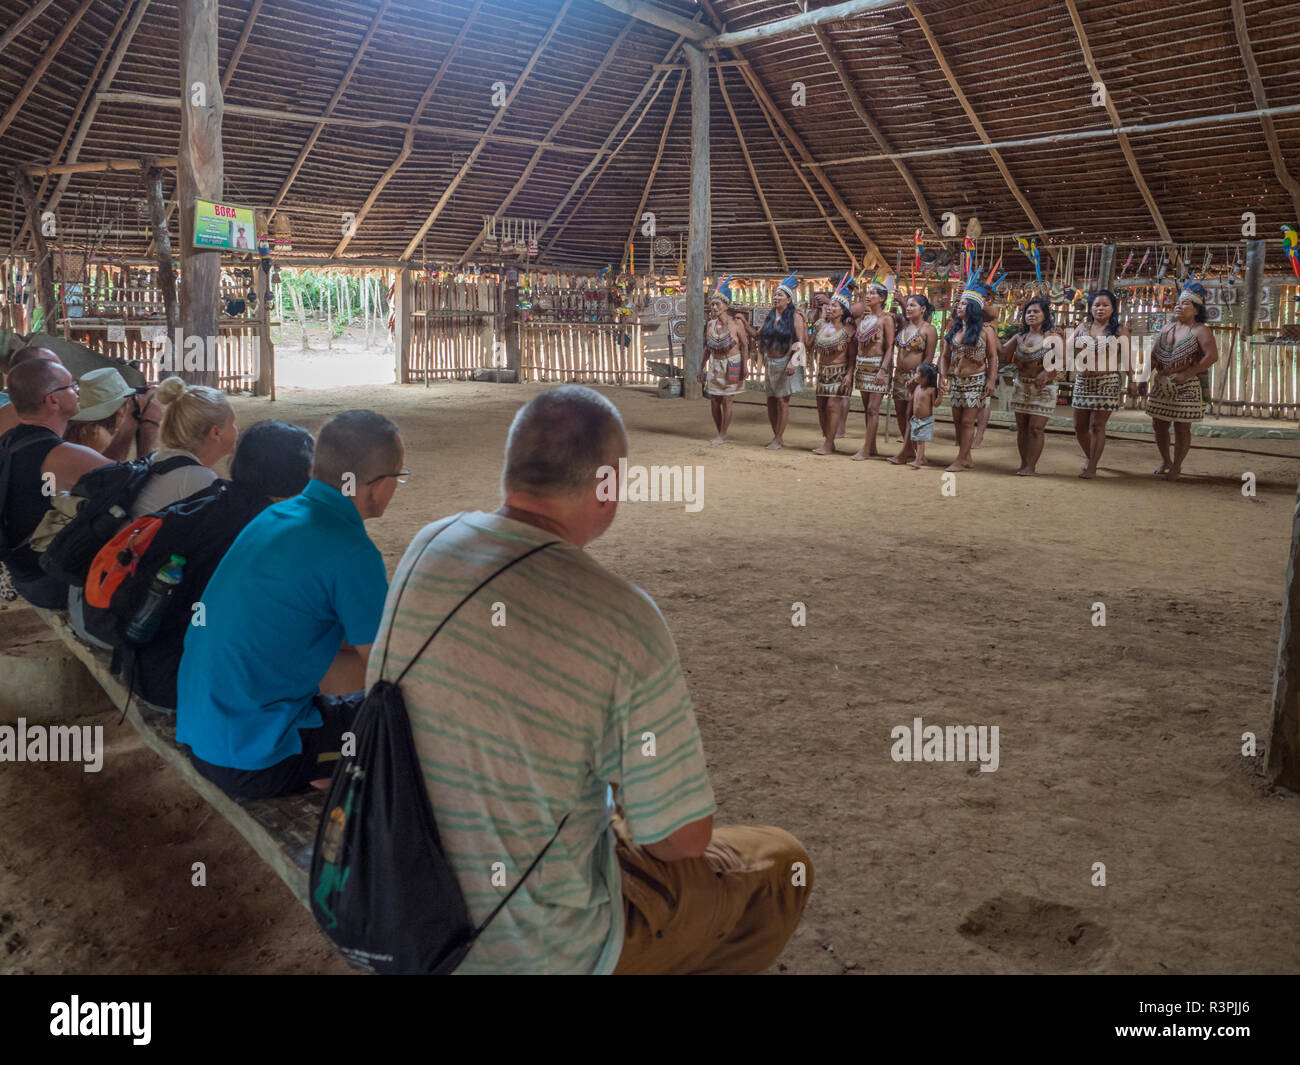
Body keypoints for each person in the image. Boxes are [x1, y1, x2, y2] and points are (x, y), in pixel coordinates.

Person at [368, 386, 811, 974]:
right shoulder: (624, 617)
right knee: (778, 864)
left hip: (401, 898)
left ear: (510, 469)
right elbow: (678, 840)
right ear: (606, 488)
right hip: (539, 948)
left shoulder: (430, 543)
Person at [175, 410, 400, 800]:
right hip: (256, 759)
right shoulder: (351, 550)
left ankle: (325, 762)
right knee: (402, 722)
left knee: (343, 661)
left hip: (205, 733)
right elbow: (393, 668)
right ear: (379, 487)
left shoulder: (275, 515)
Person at [118, 420, 315, 710]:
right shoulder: (270, 531)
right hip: (182, 684)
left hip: (144, 663)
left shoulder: (214, 497)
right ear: (298, 476)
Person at [0, 359, 111, 607]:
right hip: (52, 583)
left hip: (21, 572)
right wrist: (139, 426)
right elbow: (135, 481)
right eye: (71, 386)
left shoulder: (9, 441)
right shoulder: (64, 455)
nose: (77, 390)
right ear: (53, 400)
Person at [1, 346, 160, 457]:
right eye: (55, 369)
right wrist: (148, 427)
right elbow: (112, 478)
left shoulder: (17, 429)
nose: (76, 389)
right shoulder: (58, 447)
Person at [130, 375, 238, 517]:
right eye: (232, 423)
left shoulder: (158, 460)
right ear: (216, 432)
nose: (237, 429)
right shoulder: (200, 480)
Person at [1147, 281, 1218, 481]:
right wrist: (1143, 378)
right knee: (1159, 424)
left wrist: (1187, 374)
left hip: (1187, 384)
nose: (1179, 306)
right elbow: (1154, 355)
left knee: (1182, 426)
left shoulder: (1201, 330)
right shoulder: (1166, 328)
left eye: (1186, 304)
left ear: (1196, 310)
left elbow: (1211, 356)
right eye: (1178, 303)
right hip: (1162, 382)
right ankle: (1166, 460)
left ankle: (1177, 465)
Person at [1070, 288, 1133, 479]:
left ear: (1113, 309)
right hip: (1083, 381)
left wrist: (1134, 380)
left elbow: (1128, 358)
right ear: (1090, 308)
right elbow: (1066, 349)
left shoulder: (1120, 330)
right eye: (1097, 305)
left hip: (1107, 381)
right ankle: (1091, 457)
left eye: (1105, 305)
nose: (1100, 308)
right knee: (1079, 427)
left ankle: (1092, 466)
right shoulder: (1082, 328)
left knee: (1097, 425)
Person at [938, 279, 1000, 472]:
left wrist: (991, 380)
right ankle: (967, 457)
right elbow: (944, 356)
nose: (959, 306)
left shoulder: (985, 331)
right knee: (957, 421)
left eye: (964, 304)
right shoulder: (955, 329)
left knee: (966, 421)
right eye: (959, 303)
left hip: (976, 380)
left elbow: (992, 357)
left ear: (973, 308)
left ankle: (960, 459)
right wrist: (942, 376)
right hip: (957, 380)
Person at [1002, 297, 1060, 476]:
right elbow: (1003, 354)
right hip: (1022, 385)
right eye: (1028, 312)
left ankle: (1031, 466)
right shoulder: (1020, 337)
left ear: (1045, 315)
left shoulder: (1052, 337)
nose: (1032, 315)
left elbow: (1062, 360)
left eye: (1036, 311)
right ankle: (1023, 463)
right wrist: (990, 330)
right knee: (1022, 426)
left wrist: (1046, 372)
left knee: (1036, 427)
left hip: (1044, 388)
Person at [887, 293, 938, 465]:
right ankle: (911, 449)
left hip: (916, 379)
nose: (908, 308)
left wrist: (918, 380)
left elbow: (929, 358)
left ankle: (905, 452)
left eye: (912, 305)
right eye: (907, 306)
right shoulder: (903, 326)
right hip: (899, 376)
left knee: (911, 414)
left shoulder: (928, 329)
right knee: (901, 414)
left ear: (923, 309)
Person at [697, 276, 748, 445]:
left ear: (726, 305)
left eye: (717, 304)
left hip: (732, 363)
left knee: (727, 399)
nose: (714, 307)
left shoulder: (736, 324)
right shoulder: (710, 325)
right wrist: (701, 368)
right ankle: (720, 431)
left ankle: (723, 434)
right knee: (714, 399)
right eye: (712, 304)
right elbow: (707, 348)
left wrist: (745, 367)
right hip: (715, 365)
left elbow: (745, 345)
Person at [759, 272, 806, 450]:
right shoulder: (770, 316)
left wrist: (793, 362)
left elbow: (800, 341)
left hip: (786, 362)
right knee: (771, 400)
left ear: (789, 299)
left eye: (780, 294)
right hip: (771, 362)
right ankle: (776, 436)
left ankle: (779, 438)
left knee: (781, 401)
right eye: (775, 294)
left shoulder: (795, 317)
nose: (776, 297)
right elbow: (758, 335)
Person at [850, 281, 896, 461]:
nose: (868, 296)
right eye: (868, 293)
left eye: (873, 293)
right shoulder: (864, 319)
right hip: (863, 366)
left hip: (878, 367)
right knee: (866, 409)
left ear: (882, 298)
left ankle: (866, 449)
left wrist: (883, 370)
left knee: (872, 409)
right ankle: (872, 445)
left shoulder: (886, 319)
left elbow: (890, 346)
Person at [811, 276, 856, 455]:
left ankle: (829, 443)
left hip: (840, 372)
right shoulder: (822, 326)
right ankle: (827, 440)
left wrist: (849, 374)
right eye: (830, 305)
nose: (830, 307)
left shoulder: (848, 331)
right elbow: (808, 343)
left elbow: (852, 356)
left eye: (834, 306)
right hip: (823, 372)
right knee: (821, 407)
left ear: (842, 310)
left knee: (831, 406)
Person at [904, 362, 939, 469]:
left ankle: (918, 461)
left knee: (920, 441)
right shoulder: (917, 388)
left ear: (925, 376)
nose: (914, 375)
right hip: (916, 419)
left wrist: (941, 395)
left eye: (917, 373)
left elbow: (935, 404)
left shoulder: (931, 390)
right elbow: (911, 399)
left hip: (925, 420)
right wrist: (909, 389)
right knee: (915, 439)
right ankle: (922, 458)